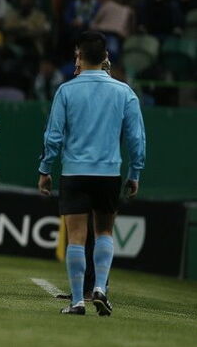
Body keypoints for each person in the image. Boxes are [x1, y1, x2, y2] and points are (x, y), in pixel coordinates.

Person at [38, 31, 146, 316]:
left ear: (79, 56)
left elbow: (53, 136)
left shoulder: (66, 90)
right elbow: (136, 139)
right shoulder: (124, 92)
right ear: (106, 57)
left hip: (75, 172)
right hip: (108, 174)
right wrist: (134, 172)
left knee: (76, 237)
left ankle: (77, 301)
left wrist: (45, 169)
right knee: (104, 232)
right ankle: (100, 287)